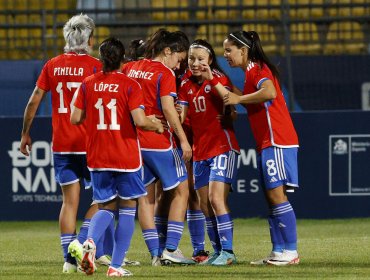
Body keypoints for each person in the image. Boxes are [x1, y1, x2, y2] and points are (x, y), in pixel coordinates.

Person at [70, 37, 163, 277]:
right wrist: (155, 125)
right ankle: (116, 266)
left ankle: (89, 242)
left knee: (106, 207)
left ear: (101, 59)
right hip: (125, 155)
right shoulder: (129, 84)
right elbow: (141, 121)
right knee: (128, 209)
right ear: (122, 59)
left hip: (98, 155)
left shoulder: (87, 84)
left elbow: (75, 118)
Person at [19, 14, 102, 273]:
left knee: (69, 203)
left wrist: (25, 134)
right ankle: (82, 245)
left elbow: (34, 100)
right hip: (91, 144)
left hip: (62, 145)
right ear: (89, 39)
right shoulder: (96, 66)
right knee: (105, 198)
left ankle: (68, 259)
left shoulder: (52, 65)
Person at [214, 30, 300, 266]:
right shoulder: (250, 72)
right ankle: (279, 251)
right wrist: (232, 91)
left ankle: (290, 251)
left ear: (243, 50)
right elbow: (253, 95)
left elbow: (269, 92)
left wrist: (238, 100)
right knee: (271, 197)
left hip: (277, 140)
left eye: (229, 50)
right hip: (267, 142)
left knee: (277, 195)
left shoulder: (257, 68)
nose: (226, 55)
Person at [123, 28, 194, 265]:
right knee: (182, 191)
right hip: (159, 140)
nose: (178, 65)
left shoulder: (131, 67)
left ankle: (155, 253)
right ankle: (171, 250)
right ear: (167, 51)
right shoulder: (163, 72)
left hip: (134, 143)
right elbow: (167, 109)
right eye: (179, 58)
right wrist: (183, 139)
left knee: (144, 199)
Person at [177, 39, 240, 265]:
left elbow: (230, 104)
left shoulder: (218, 78)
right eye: (191, 59)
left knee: (215, 199)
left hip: (222, 146)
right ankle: (218, 251)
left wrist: (211, 78)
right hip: (200, 151)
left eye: (200, 59)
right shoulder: (184, 84)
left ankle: (229, 252)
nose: (195, 63)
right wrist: (173, 115)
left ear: (210, 60)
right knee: (204, 204)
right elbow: (183, 116)